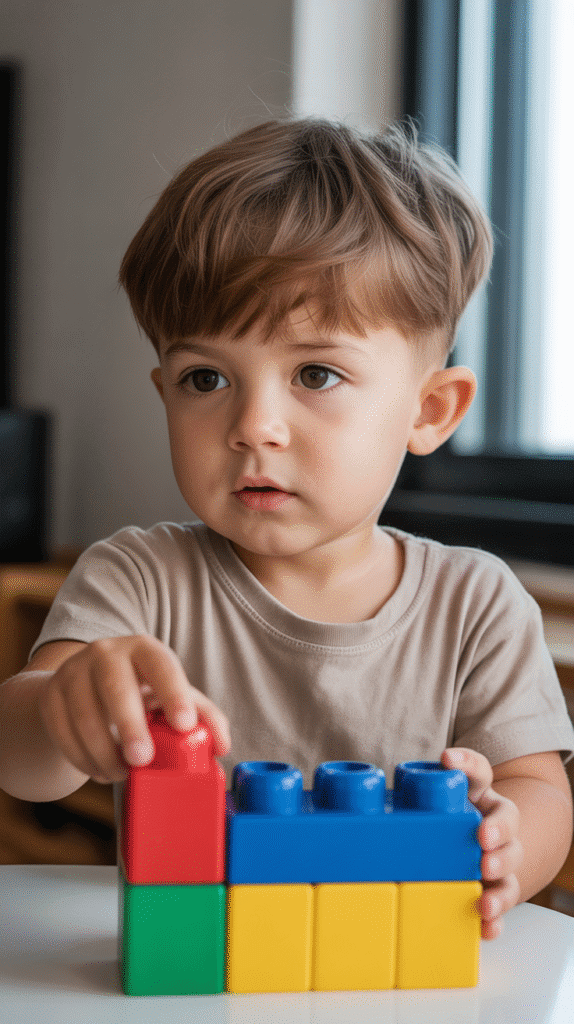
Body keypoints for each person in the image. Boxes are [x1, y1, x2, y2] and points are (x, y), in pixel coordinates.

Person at [0, 118, 572, 942]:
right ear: (165, 393)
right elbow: (25, 766)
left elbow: (540, 789)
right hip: (198, 972)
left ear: (429, 409)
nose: (253, 425)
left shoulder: (476, 603)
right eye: (207, 378)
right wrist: (65, 707)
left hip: (390, 972)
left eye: (316, 373)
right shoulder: (137, 577)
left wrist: (509, 838)